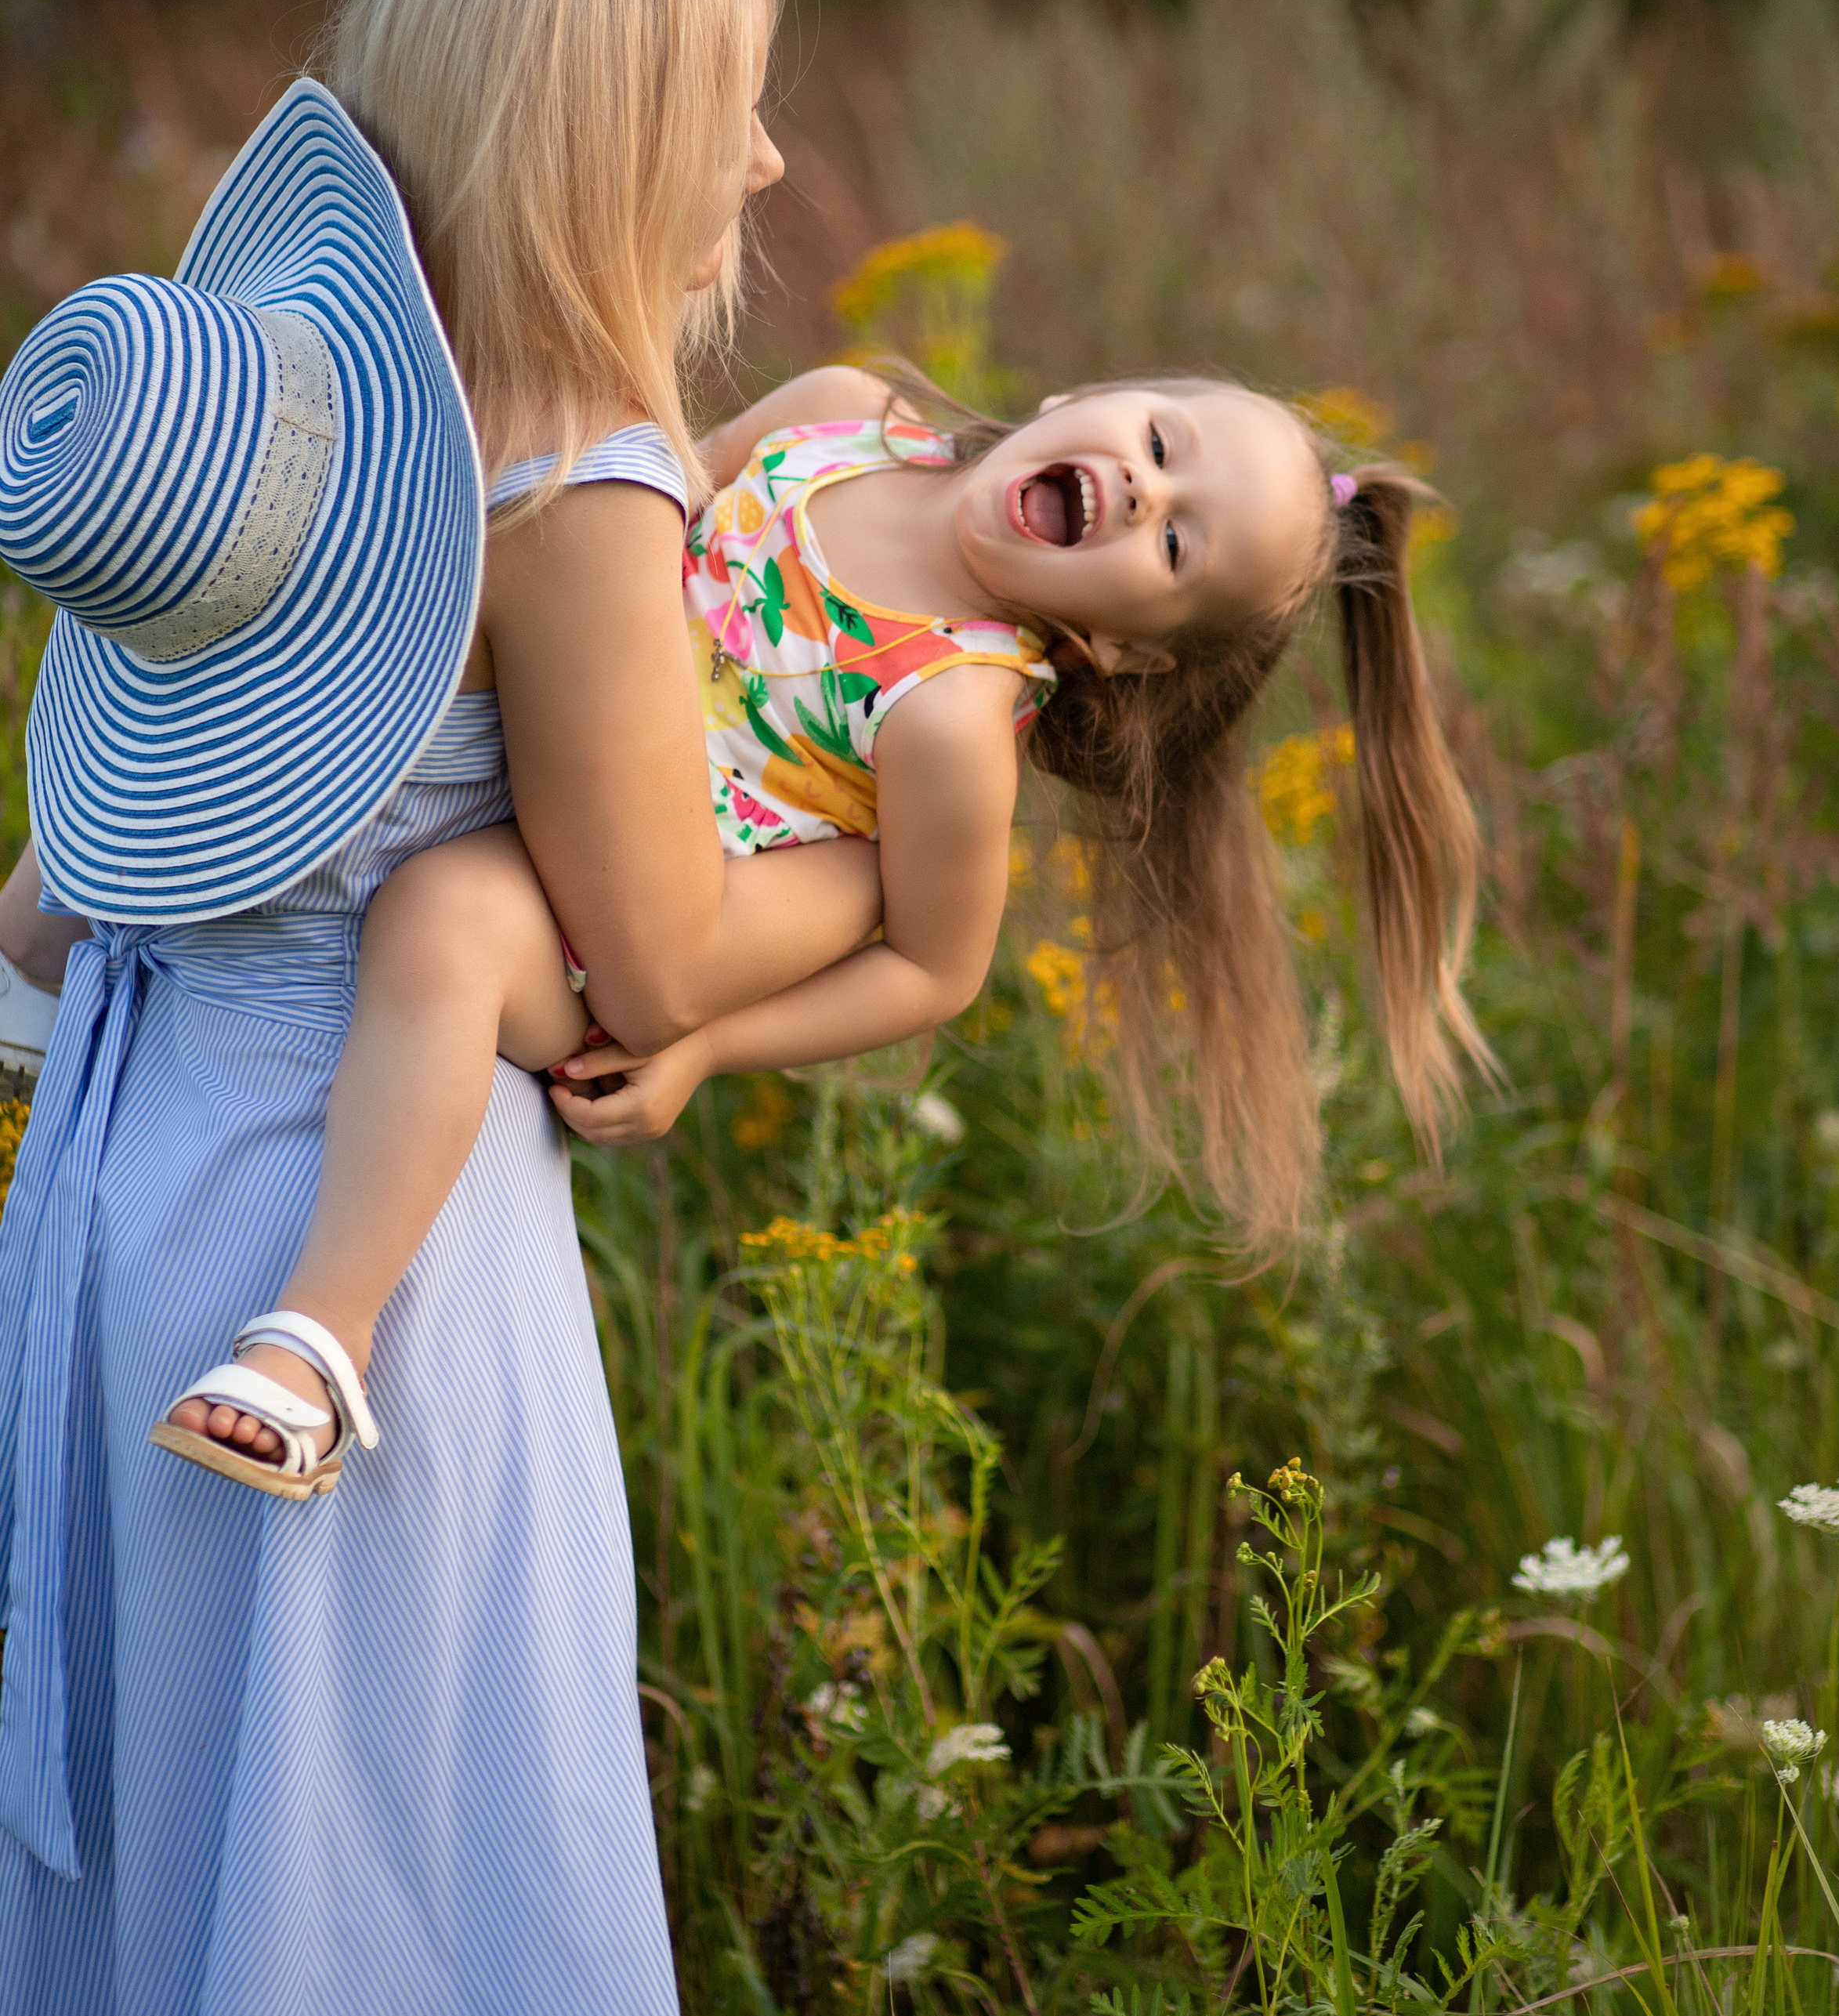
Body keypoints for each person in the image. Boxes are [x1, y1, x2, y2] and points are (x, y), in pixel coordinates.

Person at [0, 0, 882, 2016]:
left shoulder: (275, 417)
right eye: (734, 107)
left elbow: (69, 900)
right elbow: (657, 961)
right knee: (363, 1984)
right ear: (617, 126)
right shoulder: (578, 496)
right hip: (366, 1278)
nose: (767, 167)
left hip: (131, 1202)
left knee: (188, 1899)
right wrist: (930, 842)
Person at [154, 353, 1488, 1493]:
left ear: (1126, 654)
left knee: (439, 924)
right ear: (1088, 394)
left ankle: (315, 1348)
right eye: (1157, 440)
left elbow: (931, 965)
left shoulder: (954, 716)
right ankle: (53, 940)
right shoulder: (839, 418)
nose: (1146, 489)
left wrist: (702, 1051)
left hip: (588, 905)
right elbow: (650, 499)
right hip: (525, 724)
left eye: (1178, 544)